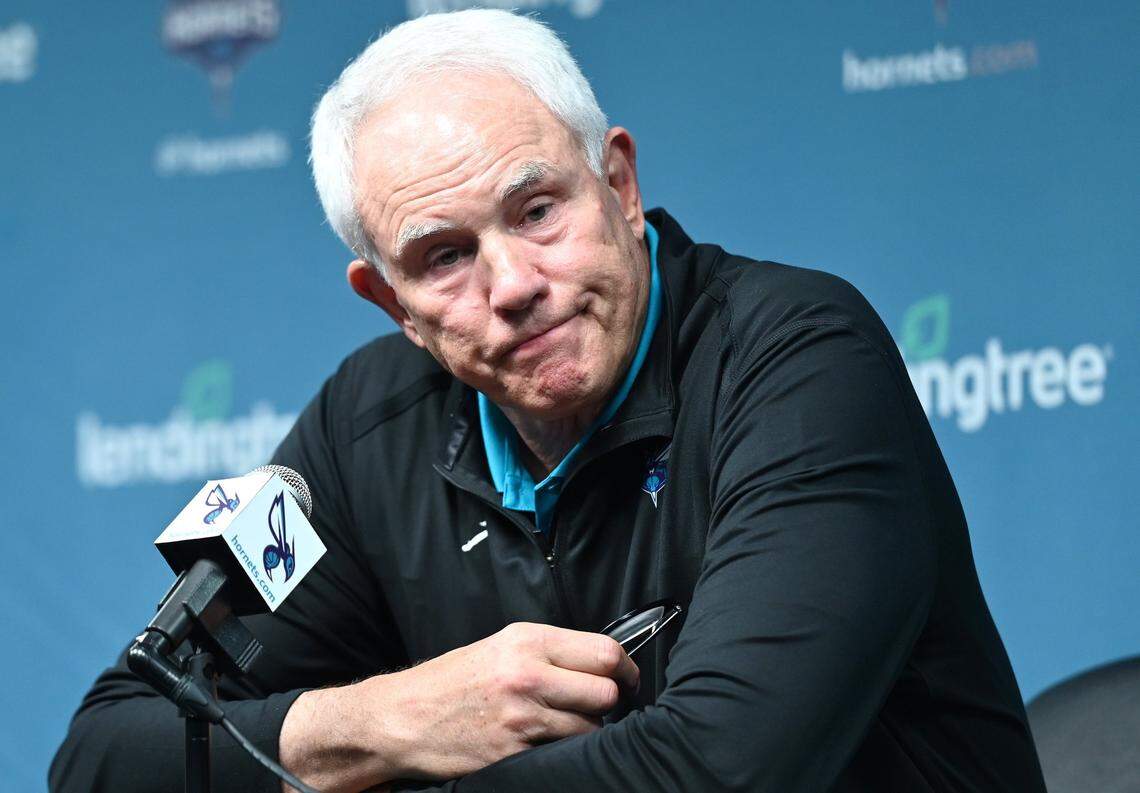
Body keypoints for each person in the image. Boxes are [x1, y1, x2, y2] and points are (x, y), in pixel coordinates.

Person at [51, 9, 1048, 792]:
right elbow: (107, 756)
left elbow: (719, 768)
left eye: (536, 211)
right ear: (392, 305)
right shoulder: (366, 427)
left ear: (618, 184)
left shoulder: (796, 355)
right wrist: (391, 720)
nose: (514, 283)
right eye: (445, 257)